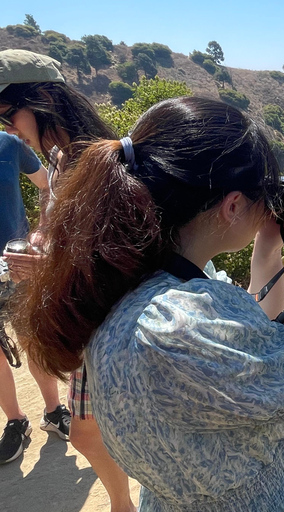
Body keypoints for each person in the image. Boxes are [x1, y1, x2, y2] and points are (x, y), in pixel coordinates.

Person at [15, 96, 284, 510]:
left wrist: (267, 246)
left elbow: (243, 341)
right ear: (232, 205)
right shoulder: (178, 327)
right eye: (259, 194)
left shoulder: (123, 285)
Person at [0, 49, 136, 511]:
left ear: (39, 99)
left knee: (95, 433)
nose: (8, 129)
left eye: (7, 114)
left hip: (108, 320)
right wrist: (43, 237)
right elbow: (66, 226)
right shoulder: (61, 161)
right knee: (86, 434)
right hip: (86, 317)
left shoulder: (95, 159)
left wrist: (48, 267)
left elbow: (123, 252)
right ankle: (125, 504)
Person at [0, 131, 71, 465]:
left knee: (33, 340)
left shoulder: (9, 145)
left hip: (19, 266)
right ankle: (16, 421)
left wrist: (41, 229)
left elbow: (46, 185)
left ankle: (54, 412)